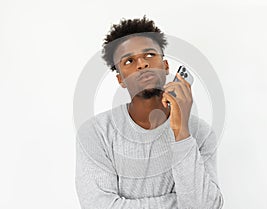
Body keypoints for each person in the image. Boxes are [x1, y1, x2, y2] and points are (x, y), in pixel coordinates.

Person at [75, 16, 224, 209]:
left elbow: (206, 206)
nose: (142, 64)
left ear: (166, 66)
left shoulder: (200, 133)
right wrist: (178, 203)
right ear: (120, 79)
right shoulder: (96, 133)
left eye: (150, 55)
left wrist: (181, 132)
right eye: (129, 61)